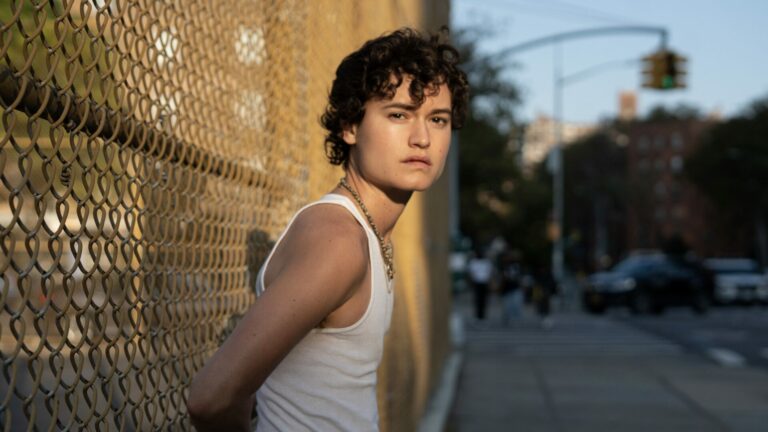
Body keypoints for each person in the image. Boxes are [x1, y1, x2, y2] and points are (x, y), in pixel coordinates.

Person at [186, 28, 469, 431]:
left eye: (437, 119)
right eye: (399, 115)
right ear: (350, 127)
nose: (422, 138)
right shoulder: (338, 240)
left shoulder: (368, 233)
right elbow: (211, 398)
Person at [467, 250, 494, 321]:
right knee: (477, 299)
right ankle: (478, 315)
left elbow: (490, 272)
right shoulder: (474, 262)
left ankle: (483, 315)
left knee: (484, 300)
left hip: (484, 283)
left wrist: (490, 282)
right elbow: (471, 273)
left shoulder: (487, 262)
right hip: (477, 283)